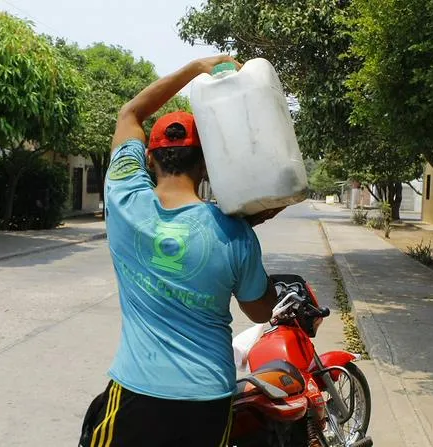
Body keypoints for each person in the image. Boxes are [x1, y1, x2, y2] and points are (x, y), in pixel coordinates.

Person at [79, 55, 281, 447]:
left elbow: (131, 113)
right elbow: (260, 311)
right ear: (206, 166)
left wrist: (195, 69)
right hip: (207, 399)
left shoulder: (124, 203)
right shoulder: (235, 233)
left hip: (139, 393)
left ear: (149, 159)